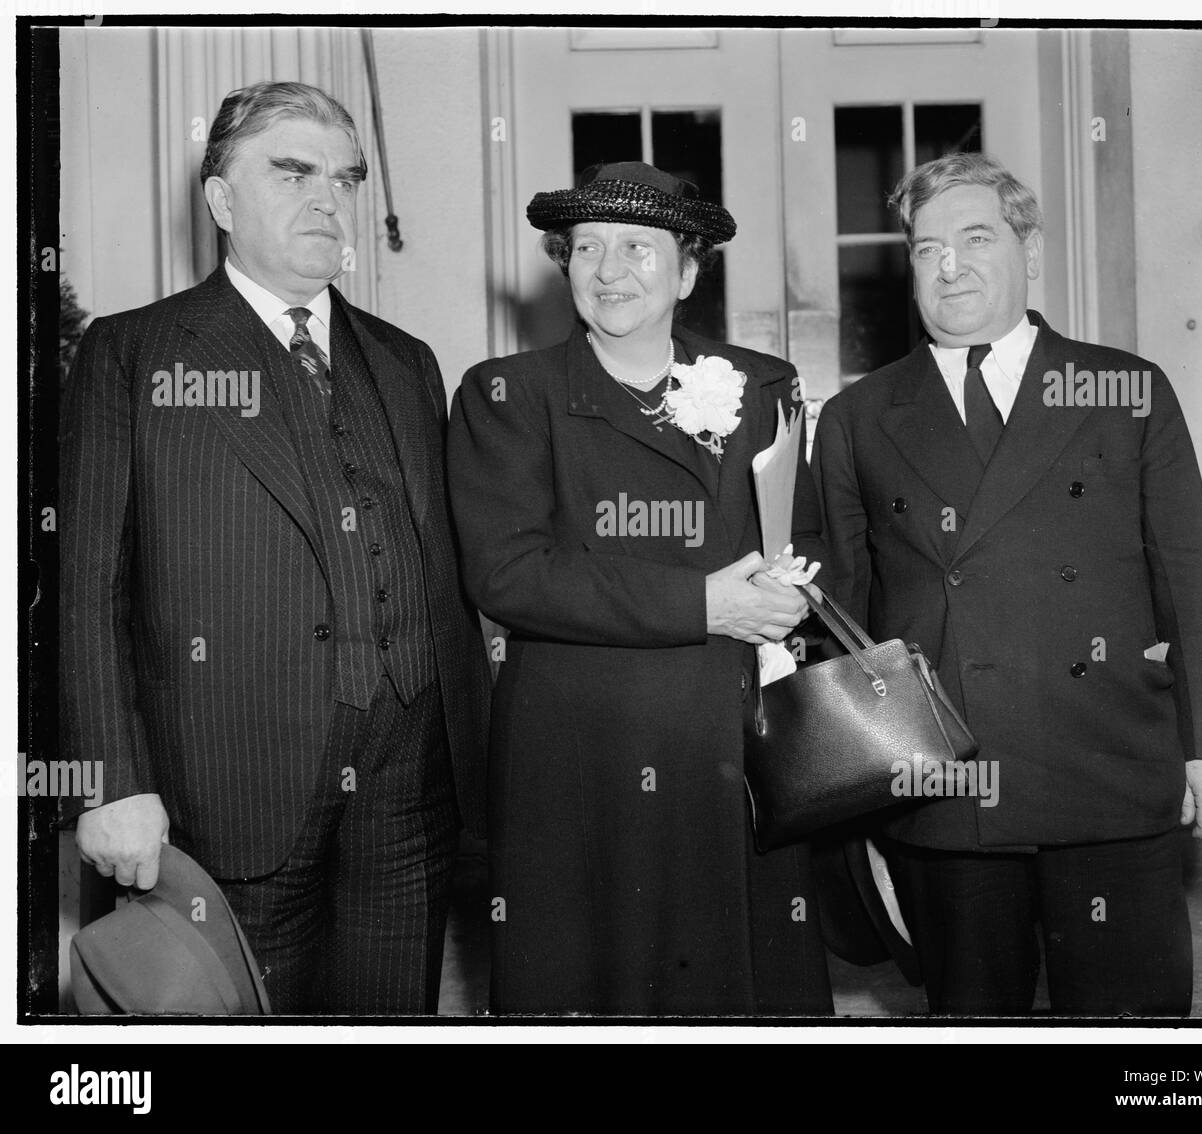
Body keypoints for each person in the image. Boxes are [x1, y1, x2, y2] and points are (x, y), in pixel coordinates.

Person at [60, 81, 490, 1014]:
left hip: (410, 779)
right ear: (220, 201)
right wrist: (106, 785)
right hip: (228, 784)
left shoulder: (407, 357)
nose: (326, 199)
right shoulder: (131, 356)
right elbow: (87, 588)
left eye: (342, 177)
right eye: (290, 172)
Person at [812, 152, 1202, 1015]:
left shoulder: (1123, 388)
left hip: (1108, 766)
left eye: (975, 238)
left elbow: (1190, 572)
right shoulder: (859, 415)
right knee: (975, 1014)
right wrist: (860, 785)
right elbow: (846, 610)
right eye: (926, 247)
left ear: (1031, 251)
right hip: (947, 785)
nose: (950, 267)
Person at [448, 161, 832, 1015]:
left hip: (732, 742)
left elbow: (804, 536)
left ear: (689, 271)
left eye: (637, 248)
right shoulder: (508, 395)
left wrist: (792, 589)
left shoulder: (762, 385)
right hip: (579, 750)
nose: (609, 270)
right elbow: (510, 573)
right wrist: (708, 603)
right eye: (586, 247)